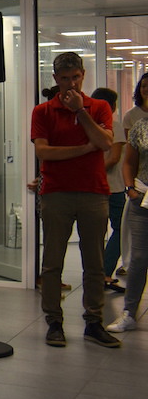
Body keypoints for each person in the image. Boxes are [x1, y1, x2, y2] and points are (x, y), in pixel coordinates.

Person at [30, 52, 120, 348]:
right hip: (56, 194)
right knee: (52, 262)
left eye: (76, 77)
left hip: (94, 193)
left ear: (83, 76)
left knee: (94, 262)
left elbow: (105, 143)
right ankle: (54, 322)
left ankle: (93, 322)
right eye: (65, 78)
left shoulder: (99, 107)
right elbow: (43, 152)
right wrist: (84, 149)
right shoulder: (42, 111)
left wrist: (80, 112)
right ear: (56, 79)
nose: (71, 83)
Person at [110, 111, 148, 333]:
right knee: (138, 258)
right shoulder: (140, 127)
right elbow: (128, 162)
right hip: (142, 197)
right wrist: (130, 189)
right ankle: (129, 313)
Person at [91, 88, 126, 293]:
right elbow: (114, 158)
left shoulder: (88, 125)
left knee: (96, 233)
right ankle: (104, 273)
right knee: (121, 229)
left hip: (93, 186)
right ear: (112, 106)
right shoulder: (114, 125)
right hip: (112, 187)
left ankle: (96, 274)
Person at [117, 72, 148, 276]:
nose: (146, 89)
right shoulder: (135, 120)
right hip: (141, 191)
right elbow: (130, 158)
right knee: (138, 256)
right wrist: (130, 188)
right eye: (144, 85)